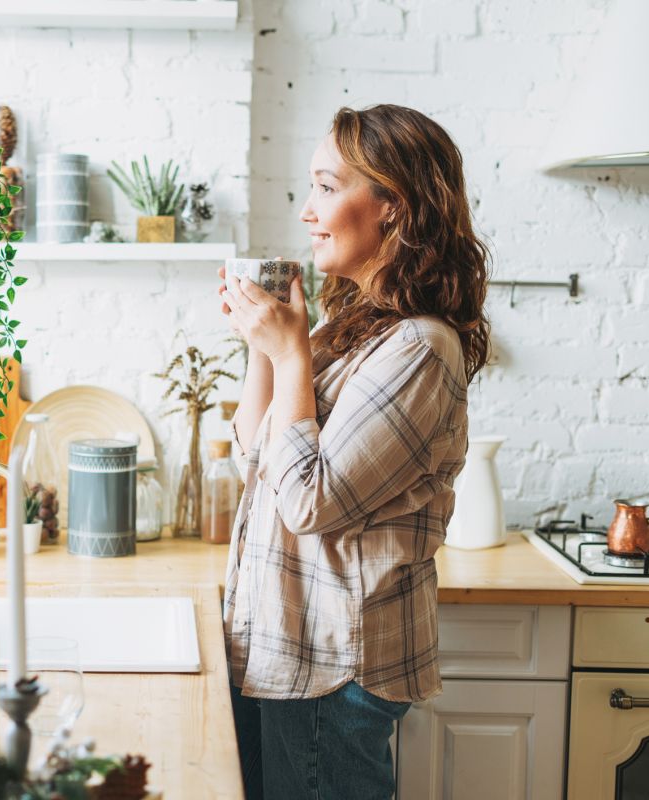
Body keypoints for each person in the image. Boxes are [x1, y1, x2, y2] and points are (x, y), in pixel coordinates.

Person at [218, 104, 490, 800]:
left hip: (334, 666)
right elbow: (255, 461)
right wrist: (266, 347)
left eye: (326, 187)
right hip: (284, 650)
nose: (307, 211)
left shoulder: (419, 348)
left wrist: (290, 353)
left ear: (393, 205)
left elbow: (311, 502)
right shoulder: (348, 328)